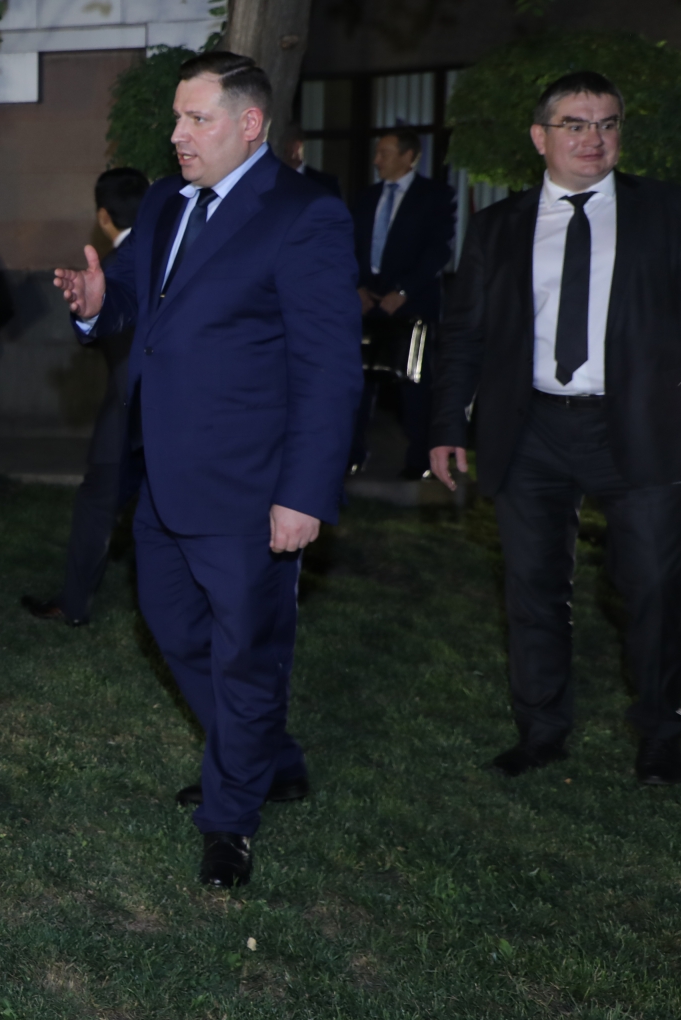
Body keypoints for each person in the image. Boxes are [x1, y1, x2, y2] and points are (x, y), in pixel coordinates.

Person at [53, 52, 361, 889]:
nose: (178, 135)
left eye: (198, 119)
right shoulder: (165, 200)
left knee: (245, 655)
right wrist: (95, 305)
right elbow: (128, 297)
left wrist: (303, 493)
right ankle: (268, 757)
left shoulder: (303, 214)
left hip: (252, 487)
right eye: (177, 119)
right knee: (174, 629)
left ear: (250, 124)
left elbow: (329, 367)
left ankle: (230, 819)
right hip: (164, 476)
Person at [430, 70, 681, 787]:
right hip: (529, 430)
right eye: (575, 124)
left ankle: (660, 731)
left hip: (640, 427)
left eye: (606, 123)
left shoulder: (664, 210)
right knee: (534, 589)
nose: (593, 138)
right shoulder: (498, 226)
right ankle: (541, 731)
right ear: (540, 137)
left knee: (653, 589)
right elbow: (465, 335)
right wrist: (446, 425)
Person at [23, 166, 149, 626]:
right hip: (163, 410)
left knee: (98, 501)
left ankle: (74, 604)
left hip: (130, 409)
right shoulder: (168, 251)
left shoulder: (115, 267)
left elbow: (99, 335)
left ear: (103, 215)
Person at [348, 128, 454, 479]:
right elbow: (348, 246)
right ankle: (352, 454)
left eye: (385, 153)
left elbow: (439, 249)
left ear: (408, 157)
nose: (376, 160)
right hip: (366, 304)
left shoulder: (435, 196)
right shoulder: (366, 197)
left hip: (412, 305)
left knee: (415, 383)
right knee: (358, 381)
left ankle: (418, 460)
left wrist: (404, 291)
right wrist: (358, 287)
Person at [279, 124, 342, 199]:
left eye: (284, 149)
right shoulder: (273, 182)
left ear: (297, 146)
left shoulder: (326, 185)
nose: (280, 150)